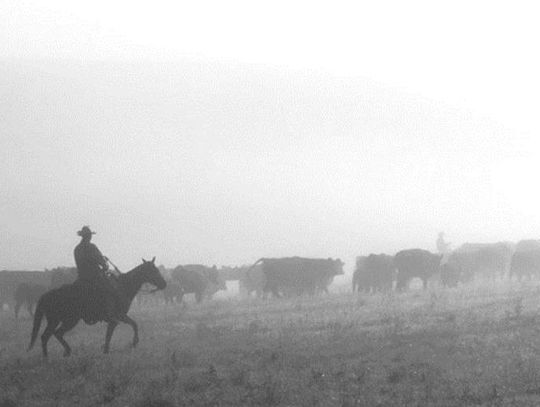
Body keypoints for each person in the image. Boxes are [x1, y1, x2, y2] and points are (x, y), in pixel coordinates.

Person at [73, 226, 119, 323]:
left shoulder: (77, 249)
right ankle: (108, 314)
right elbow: (100, 260)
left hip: (81, 277)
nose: (90, 237)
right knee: (109, 289)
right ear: (87, 236)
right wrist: (104, 264)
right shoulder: (91, 247)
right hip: (94, 276)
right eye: (89, 235)